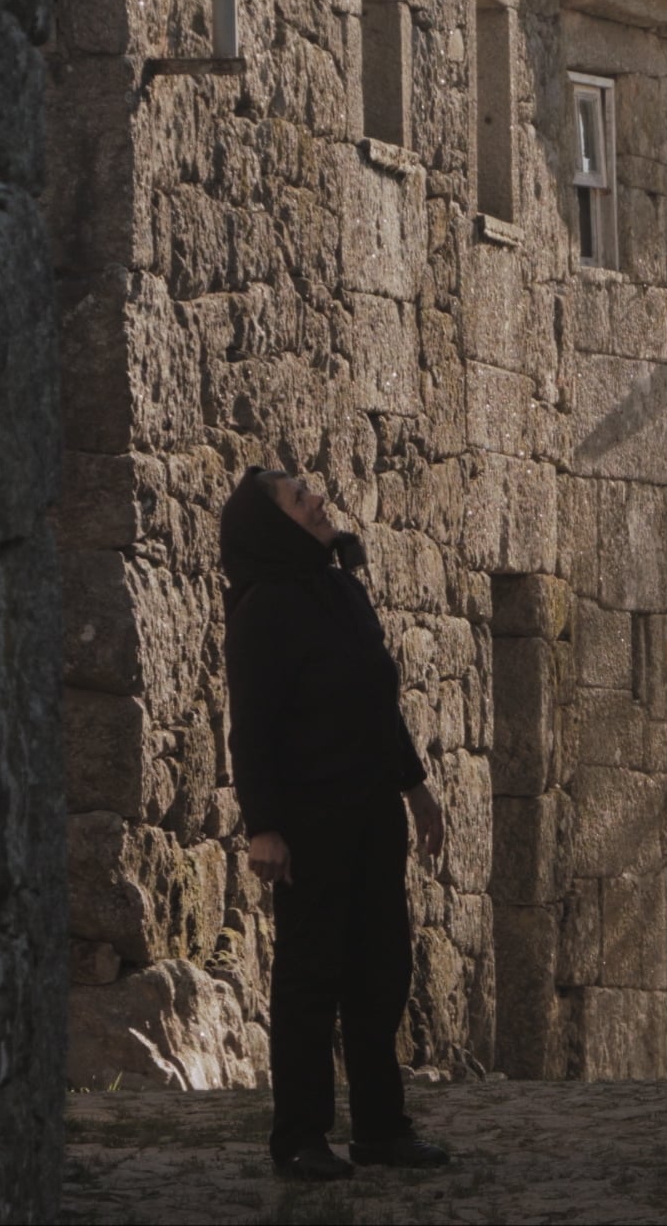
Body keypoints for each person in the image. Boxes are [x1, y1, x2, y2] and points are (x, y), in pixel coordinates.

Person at [222, 464, 455, 1181]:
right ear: (272, 525)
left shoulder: (342, 591)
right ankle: (299, 1136)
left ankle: (381, 1129)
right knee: (310, 978)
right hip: (310, 824)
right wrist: (263, 826)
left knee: (382, 971)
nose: (318, 500)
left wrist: (414, 788)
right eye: (300, 498)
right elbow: (252, 726)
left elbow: (375, 699)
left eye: (310, 492)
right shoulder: (262, 609)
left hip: (371, 815)